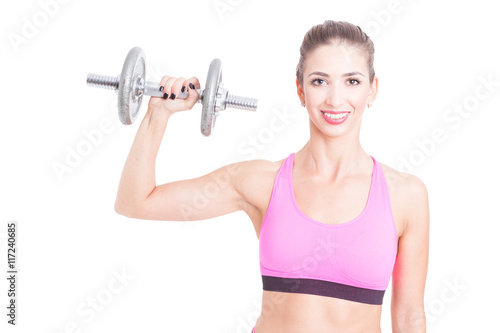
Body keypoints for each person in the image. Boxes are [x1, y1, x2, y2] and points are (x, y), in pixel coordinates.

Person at [114, 20, 429, 333]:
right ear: (300, 90)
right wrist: (158, 113)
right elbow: (136, 202)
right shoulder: (259, 182)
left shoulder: (406, 195)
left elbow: (409, 318)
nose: (335, 99)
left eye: (352, 81)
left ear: (372, 89)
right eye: (319, 81)